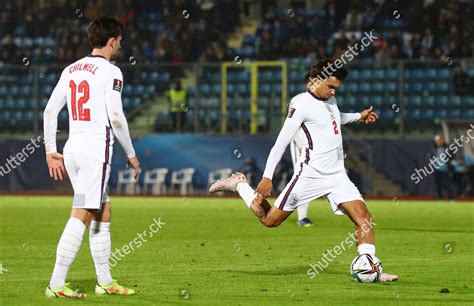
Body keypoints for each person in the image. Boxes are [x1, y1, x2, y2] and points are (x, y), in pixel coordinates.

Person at [210, 58, 398, 282]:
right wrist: (267, 177)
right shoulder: (300, 105)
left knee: (364, 218)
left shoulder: (330, 99)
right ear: (313, 81)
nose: (333, 92)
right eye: (330, 86)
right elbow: (280, 143)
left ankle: (369, 269)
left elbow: (335, 119)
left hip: (337, 176)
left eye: (336, 88)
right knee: (270, 220)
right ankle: (239, 184)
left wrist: (359, 116)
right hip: (309, 175)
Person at [43, 17, 140, 298]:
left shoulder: (70, 69)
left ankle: (105, 282)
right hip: (95, 151)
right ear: (112, 41)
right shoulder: (112, 71)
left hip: (72, 149)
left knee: (103, 210)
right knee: (82, 213)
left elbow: (50, 111)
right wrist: (131, 154)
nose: (120, 45)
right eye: (119, 41)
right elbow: (117, 117)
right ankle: (56, 284)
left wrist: (51, 150)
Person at [428, 135, 455, 201]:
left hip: (446, 170)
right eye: (437, 141)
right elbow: (429, 157)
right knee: (437, 185)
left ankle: (451, 198)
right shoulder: (433, 148)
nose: (438, 142)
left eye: (440, 140)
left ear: (443, 140)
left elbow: (452, 158)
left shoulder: (448, 148)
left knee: (448, 185)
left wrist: (451, 166)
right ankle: (440, 198)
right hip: (436, 170)